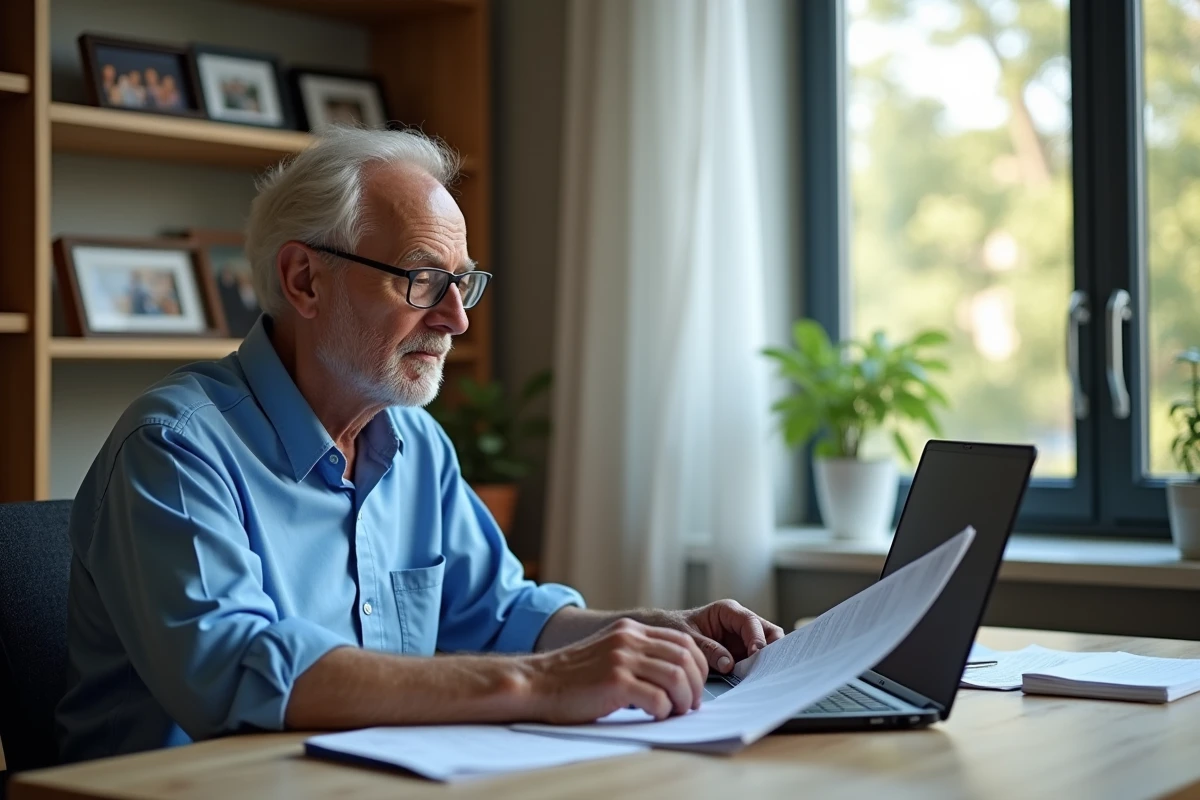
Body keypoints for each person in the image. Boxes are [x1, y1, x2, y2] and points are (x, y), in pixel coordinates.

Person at [56, 126, 784, 764]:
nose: (456, 319)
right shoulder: (175, 450)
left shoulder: (415, 444)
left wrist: (654, 632)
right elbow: (242, 673)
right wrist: (547, 684)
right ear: (305, 279)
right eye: (424, 279)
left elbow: (501, 616)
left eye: (463, 283)